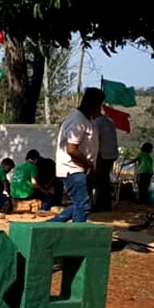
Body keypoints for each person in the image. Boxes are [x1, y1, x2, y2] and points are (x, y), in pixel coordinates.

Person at [49, 88, 105, 223]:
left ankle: (52, 225)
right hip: (73, 169)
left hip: (82, 169)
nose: (100, 109)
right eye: (99, 105)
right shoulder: (78, 121)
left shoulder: (87, 120)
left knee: (80, 204)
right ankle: (77, 235)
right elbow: (71, 149)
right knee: (83, 205)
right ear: (93, 104)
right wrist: (88, 163)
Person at [92, 113, 119, 211]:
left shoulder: (97, 123)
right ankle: (105, 203)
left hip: (101, 155)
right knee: (104, 179)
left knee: (99, 181)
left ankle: (100, 204)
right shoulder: (109, 122)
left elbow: (95, 140)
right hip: (111, 154)